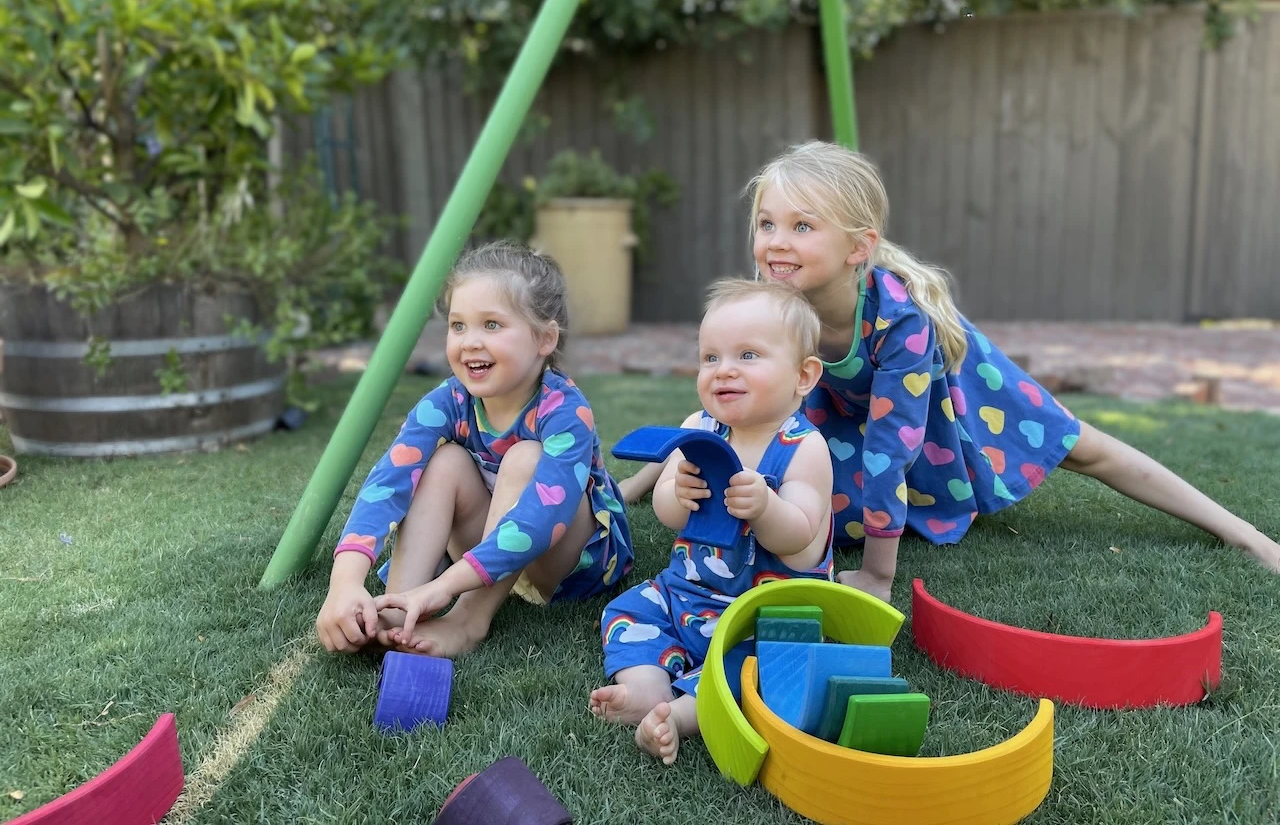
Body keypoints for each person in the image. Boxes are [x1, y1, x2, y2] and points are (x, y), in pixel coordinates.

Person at [623, 140, 1280, 602]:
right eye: (767, 223)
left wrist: (879, 578)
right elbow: (728, 403)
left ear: (858, 248)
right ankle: (630, 491)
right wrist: (638, 489)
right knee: (791, 477)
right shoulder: (770, 304)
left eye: (801, 226)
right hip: (840, 413)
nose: (775, 242)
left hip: (954, 389)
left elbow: (890, 454)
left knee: (1086, 451)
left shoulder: (902, 323)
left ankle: (1242, 532)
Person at [315, 240, 634, 658]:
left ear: (544, 338)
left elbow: (541, 519)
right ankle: (397, 608)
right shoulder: (447, 401)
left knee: (524, 458)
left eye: (491, 325)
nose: (469, 342)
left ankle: (468, 620)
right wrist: (346, 581)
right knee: (442, 461)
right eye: (458, 325)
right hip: (485, 550)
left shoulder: (565, 412)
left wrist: (444, 588)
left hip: (562, 565)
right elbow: (389, 481)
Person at [590, 278, 833, 765]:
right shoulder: (698, 429)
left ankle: (680, 715)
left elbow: (802, 538)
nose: (724, 371)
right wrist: (676, 491)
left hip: (762, 615)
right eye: (710, 357)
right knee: (629, 612)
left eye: (748, 356)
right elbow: (666, 511)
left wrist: (767, 508)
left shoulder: (803, 448)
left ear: (803, 376)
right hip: (687, 592)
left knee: (763, 670)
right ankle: (645, 687)